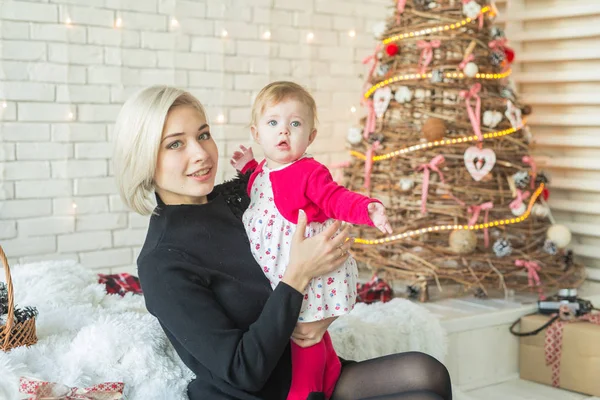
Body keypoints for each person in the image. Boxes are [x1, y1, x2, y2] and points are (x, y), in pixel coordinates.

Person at [112, 85, 453, 400]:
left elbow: (313, 215)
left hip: (309, 369)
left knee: (429, 373)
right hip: (263, 393)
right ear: (144, 159)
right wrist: (297, 276)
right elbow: (241, 372)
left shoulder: (243, 197)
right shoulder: (162, 262)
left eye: (203, 135)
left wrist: (326, 307)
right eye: (176, 143)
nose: (201, 153)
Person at [229, 81, 392, 400]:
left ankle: (307, 391)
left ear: (311, 136)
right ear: (256, 133)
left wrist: (366, 208)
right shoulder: (263, 168)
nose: (283, 132)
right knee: (296, 334)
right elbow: (261, 190)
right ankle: (331, 372)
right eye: (273, 123)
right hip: (285, 274)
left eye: (295, 124)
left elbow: (335, 198)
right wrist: (247, 166)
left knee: (304, 336)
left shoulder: (308, 172)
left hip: (310, 276)